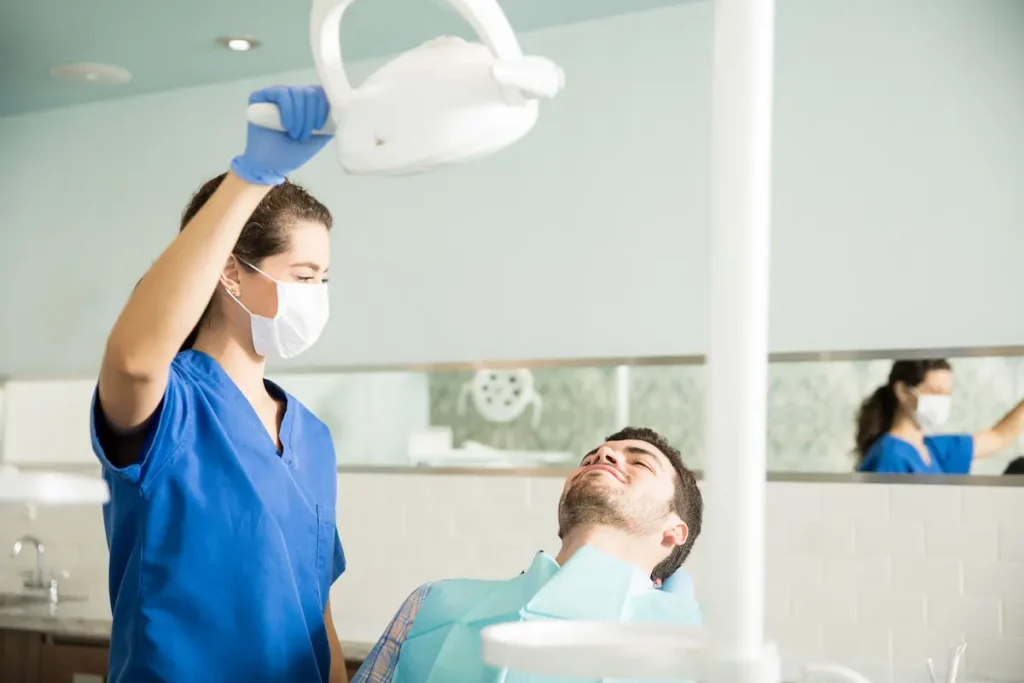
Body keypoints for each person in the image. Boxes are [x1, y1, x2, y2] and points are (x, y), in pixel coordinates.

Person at [91, 86, 349, 682]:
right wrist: (251, 178)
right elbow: (131, 359)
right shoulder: (171, 406)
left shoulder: (311, 436)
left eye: (324, 279)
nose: (316, 296)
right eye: (303, 276)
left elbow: (318, 612)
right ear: (231, 271)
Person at [353, 426, 703, 683]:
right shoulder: (430, 604)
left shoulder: (699, 650)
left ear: (674, 531)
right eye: (590, 458)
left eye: (640, 463)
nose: (603, 456)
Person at [855, 359, 1024, 474]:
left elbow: (998, 437)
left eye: (947, 394)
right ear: (902, 391)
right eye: (935, 392)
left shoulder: (933, 450)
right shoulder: (889, 456)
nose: (943, 400)